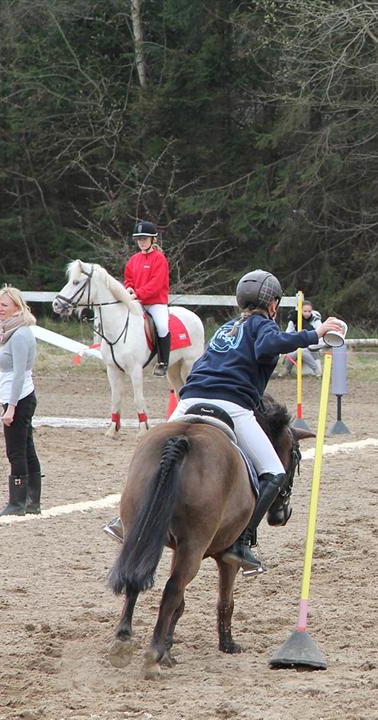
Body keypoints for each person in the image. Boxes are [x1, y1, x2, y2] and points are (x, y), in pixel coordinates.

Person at [106, 270, 344, 574]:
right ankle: (241, 542)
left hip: (189, 399)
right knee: (273, 471)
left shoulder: (227, 327)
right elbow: (268, 346)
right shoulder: (262, 325)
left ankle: (127, 517)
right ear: (273, 304)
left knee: (151, 452)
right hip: (232, 406)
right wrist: (315, 333)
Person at [0, 287, 42, 516]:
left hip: (19, 398)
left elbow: (20, 373)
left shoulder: (20, 334)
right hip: (17, 396)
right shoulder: (12, 331)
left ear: (17, 307)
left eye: (5, 305)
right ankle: (32, 501)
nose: (0, 309)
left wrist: (11, 408)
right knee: (26, 448)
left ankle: (17, 502)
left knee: (16, 451)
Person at [123, 221, 171, 377]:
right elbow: (128, 277)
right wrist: (129, 288)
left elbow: (156, 284)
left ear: (152, 239)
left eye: (144, 239)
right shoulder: (134, 259)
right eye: (139, 239)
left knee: (162, 327)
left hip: (156, 303)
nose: (141, 242)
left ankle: (163, 362)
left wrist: (137, 294)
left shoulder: (159, 259)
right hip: (138, 302)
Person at [279, 300, 322, 377]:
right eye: (305, 311)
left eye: (309, 311)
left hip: (313, 347)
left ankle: (317, 371)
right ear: (300, 310)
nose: (307, 313)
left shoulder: (316, 320)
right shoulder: (294, 320)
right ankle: (285, 371)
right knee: (294, 352)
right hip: (297, 345)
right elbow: (288, 334)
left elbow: (319, 335)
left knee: (301, 350)